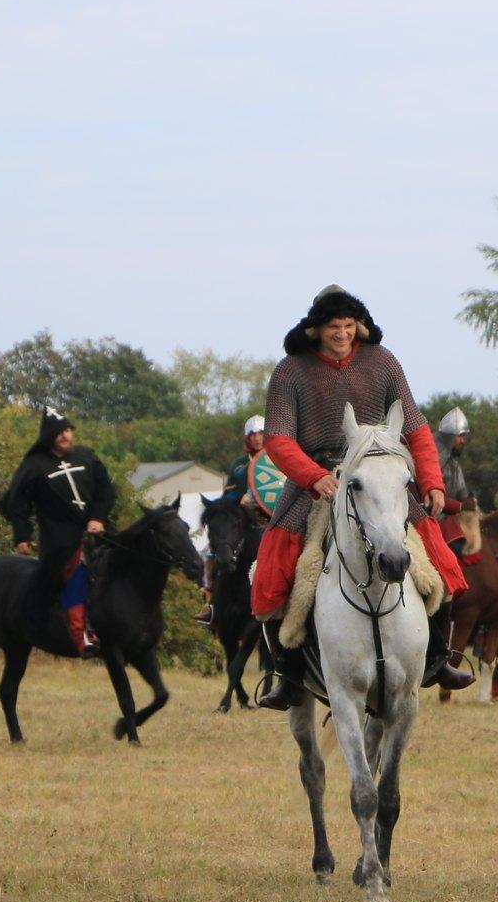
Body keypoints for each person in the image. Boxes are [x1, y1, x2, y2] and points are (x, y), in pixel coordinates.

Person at [247, 285, 473, 708]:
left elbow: (417, 429)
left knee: (435, 563)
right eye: (334, 326)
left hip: (380, 476)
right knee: (282, 570)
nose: (343, 334)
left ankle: (438, 657)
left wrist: (432, 481)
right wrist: (314, 477)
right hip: (316, 482)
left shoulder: (383, 363)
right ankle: (290, 674)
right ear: (316, 329)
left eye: (349, 326)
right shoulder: (290, 370)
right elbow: (278, 439)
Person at [0, 406, 114, 657]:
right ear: (49, 437)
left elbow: (106, 490)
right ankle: (82, 635)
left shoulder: (86, 456)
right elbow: (15, 502)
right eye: (59, 433)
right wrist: (22, 535)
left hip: (98, 532)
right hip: (61, 541)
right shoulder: (34, 466)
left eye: (67, 431)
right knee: (77, 573)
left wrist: (97, 518)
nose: (65, 436)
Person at [196, 413, 272, 626]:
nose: (257, 438)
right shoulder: (239, 466)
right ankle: (212, 603)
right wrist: (237, 501)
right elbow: (228, 498)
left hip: (275, 521)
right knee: (213, 551)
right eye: (253, 434)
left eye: (261, 433)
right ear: (247, 438)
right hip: (245, 523)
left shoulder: (278, 458)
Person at [431, 406, 477, 556]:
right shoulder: (432, 457)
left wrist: (469, 501)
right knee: (455, 550)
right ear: (450, 436)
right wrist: (461, 506)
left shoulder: (453, 460)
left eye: (464, 436)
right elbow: (431, 496)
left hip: (449, 520)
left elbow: (461, 493)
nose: (463, 441)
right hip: (430, 519)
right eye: (460, 436)